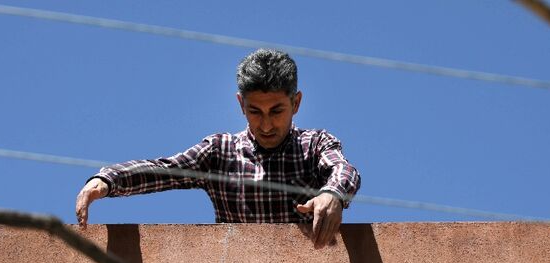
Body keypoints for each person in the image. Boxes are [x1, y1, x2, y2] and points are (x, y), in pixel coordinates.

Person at [75, 48, 361, 249]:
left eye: (277, 111)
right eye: (254, 112)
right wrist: (108, 179)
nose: (266, 125)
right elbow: (164, 170)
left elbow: (343, 169)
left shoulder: (313, 145)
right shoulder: (220, 152)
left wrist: (332, 194)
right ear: (240, 105)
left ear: (296, 103)